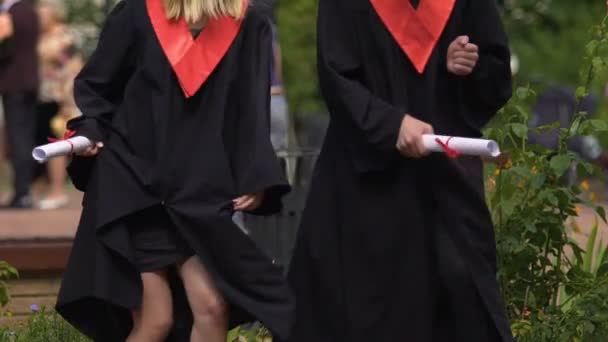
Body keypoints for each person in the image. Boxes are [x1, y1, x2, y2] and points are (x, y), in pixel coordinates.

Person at [55, 0, 294, 341]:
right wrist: (88, 132)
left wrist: (255, 175)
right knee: (157, 319)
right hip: (135, 184)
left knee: (212, 308)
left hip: (198, 188)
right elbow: (97, 87)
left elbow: (250, 110)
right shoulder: (138, 12)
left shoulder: (248, 22)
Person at [285, 1, 514, 341]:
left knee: (461, 282)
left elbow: (495, 81)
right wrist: (390, 124)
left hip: (444, 179)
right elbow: (336, 79)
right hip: (365, 177)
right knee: (363, 302)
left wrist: (472, 66)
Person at [35, 0, 83, 210]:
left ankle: (57, 191)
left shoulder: (63, 37)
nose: (40, 18)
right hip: (43, 97)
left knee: (58, 144)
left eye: (43, 14)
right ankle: (45, 188)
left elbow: (72, 70)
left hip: (61, 98)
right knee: (44, 142)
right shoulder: (41, 36)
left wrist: (68, 101)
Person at [0, 0, 39, 209]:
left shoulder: (8, 14)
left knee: (17, 138)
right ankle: (25, 190)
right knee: (26, 136)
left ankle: (21, 191)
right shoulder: (30, 11)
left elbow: (5, 48)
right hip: (30, 80)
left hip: (12, 81)